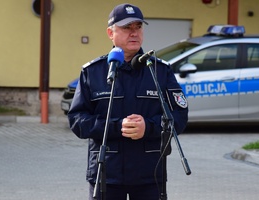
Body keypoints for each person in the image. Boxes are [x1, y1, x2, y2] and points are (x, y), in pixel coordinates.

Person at [68, 3, 188, 200]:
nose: (134, 33)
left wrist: (148, 127)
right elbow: (77, 120)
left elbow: (180, 117)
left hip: (150, 176)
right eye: (126, 28)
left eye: (138, 27)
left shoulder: (160, 70)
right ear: (110, 33)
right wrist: (117, 126)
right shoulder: (93, 72)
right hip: (106, 174)